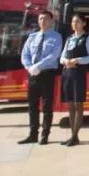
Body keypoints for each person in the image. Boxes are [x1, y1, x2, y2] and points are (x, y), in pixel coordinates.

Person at [18, 11, 62, 145]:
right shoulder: (32, 37)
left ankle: (45, 134)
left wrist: (38, 66)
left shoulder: (56, 37)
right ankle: (32, 134)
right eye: (40, 19)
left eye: (45, 19)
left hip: (47, 73)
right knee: (32, 106)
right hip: (32, 74)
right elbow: (24, 54)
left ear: (51, 21)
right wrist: (30, 67)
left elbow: (54, 55)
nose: (43, 21)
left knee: (47, 105)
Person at [60, 14, 89, 146]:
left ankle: (75, 136)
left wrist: (78, 60)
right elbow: (62, 56)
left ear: (84, 24)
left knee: (78, 104)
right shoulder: (69, 38)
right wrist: (65, 61)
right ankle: (72, 134)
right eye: (73, 21)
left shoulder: (88, 37)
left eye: (77, 22)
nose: (74, 24)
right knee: (70, 105)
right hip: (67, 73)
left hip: (79, 74)